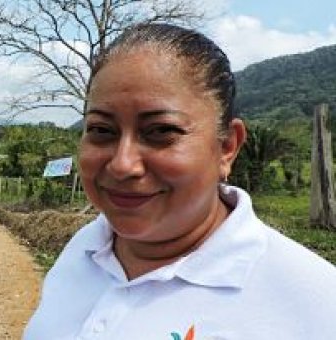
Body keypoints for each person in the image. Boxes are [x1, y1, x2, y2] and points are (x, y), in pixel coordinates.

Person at [23, 23, 336, 339]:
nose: (122, 165)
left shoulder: (315, 304)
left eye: (161, 132)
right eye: (102, 130)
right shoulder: (84, 249)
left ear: (227, 147)